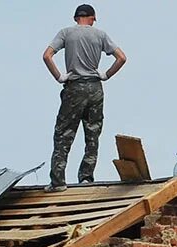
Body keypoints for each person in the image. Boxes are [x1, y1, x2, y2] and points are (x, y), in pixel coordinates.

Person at [42, 4, 126, 192]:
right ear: (92, 18)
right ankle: (86, 178)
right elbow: (121, 57)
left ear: (75, 18)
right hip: (95, 88)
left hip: (74, 87)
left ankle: (58, 181)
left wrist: (59, 76)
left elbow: (47, 56)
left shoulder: (65, 33)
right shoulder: (100, 35)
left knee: (64, 134)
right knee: (92, 134)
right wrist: (106, 74)